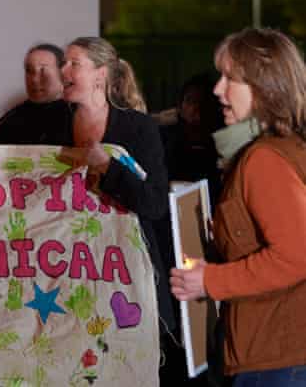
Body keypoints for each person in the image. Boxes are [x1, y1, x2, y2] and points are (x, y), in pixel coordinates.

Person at [171, 28, 306, 386]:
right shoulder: (285, 147)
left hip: (276, 355)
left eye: (230, 78)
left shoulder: (263, 159)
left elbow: (295, 255)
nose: (217, 90)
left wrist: (209, 280)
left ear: (264, 89)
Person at [55, 37, 174, 333]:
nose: (63, 71)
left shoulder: (139, 128)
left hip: (125, 271)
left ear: (101, 74)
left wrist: (108, 168)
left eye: (74, 64)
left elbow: (155, 203)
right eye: (63, 63)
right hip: (65, 269)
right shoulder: (50, 126)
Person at [0, 43, 69, 144]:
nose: (34, 80)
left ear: (62, 73)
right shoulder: (11, 119)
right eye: (29, 71)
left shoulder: (77, 117)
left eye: (42, 70)